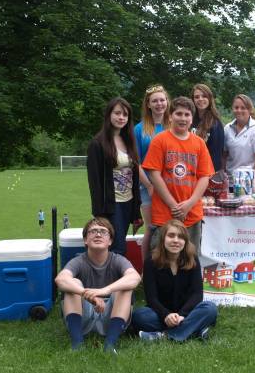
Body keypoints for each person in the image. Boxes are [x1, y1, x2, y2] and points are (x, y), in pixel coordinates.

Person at [55, 217, 141, 353]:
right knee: (73, 283)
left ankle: (110, 344)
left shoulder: (118, 260)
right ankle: (77, 344)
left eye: (103, 232)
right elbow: (61, 279)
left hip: (112, 317)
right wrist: (87, 294)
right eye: (93, 231)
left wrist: (104, 290)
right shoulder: (78, 260)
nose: (98, 234)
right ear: (85, 240)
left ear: (110, 241)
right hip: (84, 318)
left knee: (124, 287)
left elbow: (135, 277)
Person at [143, 97, 214, 252]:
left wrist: (189, 204)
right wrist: (173, 205)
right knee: (161, 262)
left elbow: (204, 176)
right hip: (164, 213)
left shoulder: (199, 143)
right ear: (170, 116)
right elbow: (154, 175)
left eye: (187, 115)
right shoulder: (159, 140)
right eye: (178, 114)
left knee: (189, 260)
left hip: (192, 214)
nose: (183, 118)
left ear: (192, 118)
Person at [134, 219, 218, 342]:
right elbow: (152, 298)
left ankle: (164, 336)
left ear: (185, 241)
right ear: (163, 239)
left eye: (180, 237)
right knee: (139, 316)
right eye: (171, 236)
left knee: (210, 308)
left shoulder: (192, 259)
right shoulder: (151, 262)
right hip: (161, 314)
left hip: (187, 313)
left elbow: (197, 294)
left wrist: (181, 316)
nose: (176, 240)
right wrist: (166, 315)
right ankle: (194, 329)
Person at [87, 97, 143, 255]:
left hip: (128, 203)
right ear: (109, 115)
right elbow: (95, 182)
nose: (121, 117)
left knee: (116, 246)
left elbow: (134, 176)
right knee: (118, 248)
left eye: (125, 115)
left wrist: (136, 211)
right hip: (111, 206)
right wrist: (99, 214)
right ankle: (113, 279)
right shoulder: (97, 144)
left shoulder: (129, 141)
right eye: (117, 113)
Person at [134, 84, 171, 262]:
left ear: (167, 102)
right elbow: (136, 162)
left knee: (171, 227)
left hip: (172, 186)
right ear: (148, 104)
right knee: (152, 227)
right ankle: (146, 271)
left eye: (162, 100)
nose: (159, 104)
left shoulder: (174, 125)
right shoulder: (140, 129)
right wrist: (148, 185)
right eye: (154, 101)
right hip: (147, 186)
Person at [223, 94, 255, 185]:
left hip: (248, 181)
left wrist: (250, 180)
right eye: (236, 107)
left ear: (250, 110)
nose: (239, 110)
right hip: (230, 180)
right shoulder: (227, 128)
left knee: (246, 199)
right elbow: (224, 155)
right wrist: (224, 176)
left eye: (243, 108)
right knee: (230, 198)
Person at [192, 83, 225, 172]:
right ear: (193, 100)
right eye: (197, 97)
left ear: (210, 99)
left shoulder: (215, 124)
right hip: (189, 171)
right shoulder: (189, 120)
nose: (200, 99)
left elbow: (216, 155)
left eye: (204, 96)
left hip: (207, 173)